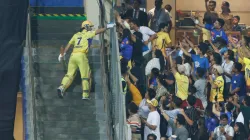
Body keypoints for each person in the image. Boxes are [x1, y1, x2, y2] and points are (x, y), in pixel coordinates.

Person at [57, 20, 115, 99]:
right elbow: (98, 31)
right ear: (86, 27)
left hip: (73, 55)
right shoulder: (88, 34)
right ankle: (85, 95)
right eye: (90, 27)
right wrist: (106, 27)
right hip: (82, 56)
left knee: (69, 74)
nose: (91, 28)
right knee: (85, 76)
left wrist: (62, 54)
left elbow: (68, 45)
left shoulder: (76, 35)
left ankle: (62, 87)